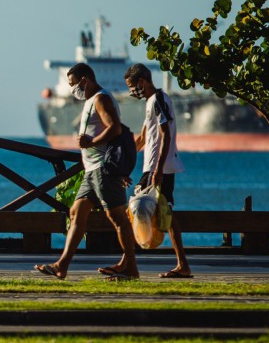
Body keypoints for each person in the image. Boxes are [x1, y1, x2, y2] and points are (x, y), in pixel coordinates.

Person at [34, 63, 139, 281]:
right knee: (76, 212)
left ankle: (131, 267)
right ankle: (61, 266)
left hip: (102, 169)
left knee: (117, 217)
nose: (72, 89)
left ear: (85, 80)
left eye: (73, 84)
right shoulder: (92, 100)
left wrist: (91, 141)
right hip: (91, 171)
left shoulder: (101, 98)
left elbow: (115, 128)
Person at [124, 63, 192, 279]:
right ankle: (182, 264)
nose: (131, 91)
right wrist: (122, 163)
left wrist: (159, 169)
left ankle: (128, 264)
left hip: (157, 167)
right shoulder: (151, 103)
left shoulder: (158, 100)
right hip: (154, 166)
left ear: (141, 82)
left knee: (133, 210)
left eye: (132, 86)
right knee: (166, 215)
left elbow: (166, 135)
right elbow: (143, 139)